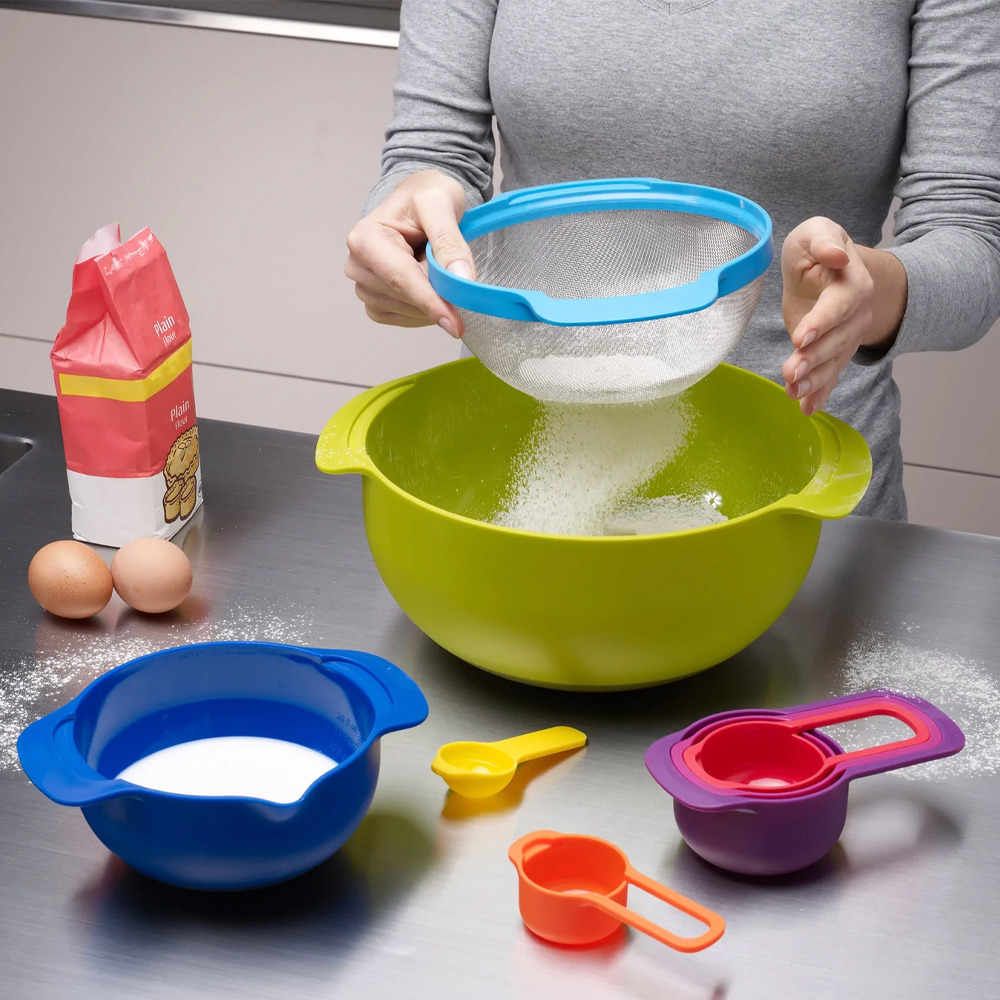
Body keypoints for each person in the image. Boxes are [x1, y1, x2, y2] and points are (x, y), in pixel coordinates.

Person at [345, 0, 1000, 520]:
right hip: (522, 476)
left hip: (807, 492)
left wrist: (868, 293)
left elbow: (970, 237)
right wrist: (406, 230)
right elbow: (433, 153)